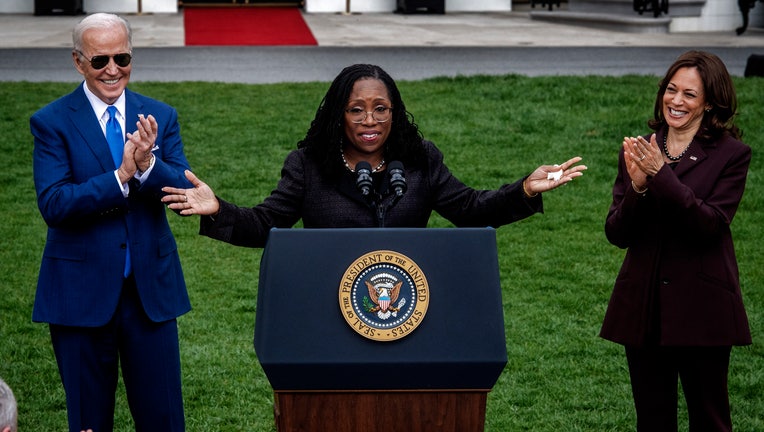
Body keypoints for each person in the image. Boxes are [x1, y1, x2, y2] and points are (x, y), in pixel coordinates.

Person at [161, 63, 586, 246]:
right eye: (356, 109)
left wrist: (525, 190)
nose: (370, 121)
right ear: (339, 116)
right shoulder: (309, 165)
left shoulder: (420, 159)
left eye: (380, 109)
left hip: (405, 304)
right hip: (332, 301)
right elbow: (268, 223)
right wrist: (218, 210)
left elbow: (470, 209)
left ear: (394, 113)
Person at [30, 13, 193, 432]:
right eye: (100, 60)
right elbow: (54, 203)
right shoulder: (51, 122)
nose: (112, 70)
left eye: (121, 57)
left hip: (149, 296)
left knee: (164, 420)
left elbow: (181, 191)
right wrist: (120, 177)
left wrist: (147, 165)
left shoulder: (159, 115)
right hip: (79, 297)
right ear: (78, 62)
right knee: (88, 421)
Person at [600, 50, 752, 431]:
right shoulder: (641, 149)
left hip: (704, 309)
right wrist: (637, 186)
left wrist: (661, 177)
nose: (676, 101)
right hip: (645, 307)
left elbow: (709, 225)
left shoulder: (732, 156)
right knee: (652, 420)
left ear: (710, 102)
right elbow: (617, 233)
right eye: (671, 90)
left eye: (689, 94)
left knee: (710, 418)